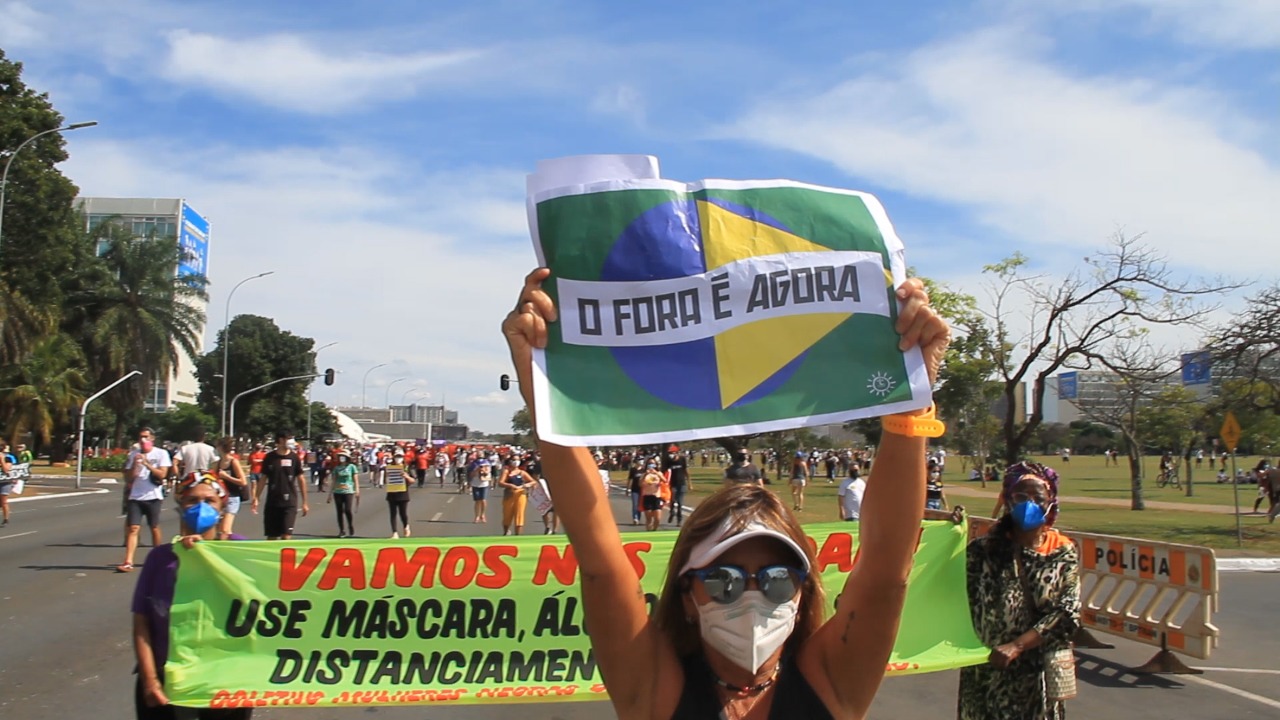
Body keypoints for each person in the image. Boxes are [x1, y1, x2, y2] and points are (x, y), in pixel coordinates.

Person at [501, 267, 949, 718]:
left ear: (802, 593)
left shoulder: (833, 680)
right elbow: (599, 560)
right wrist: (543, 388)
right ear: (687, 599)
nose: (753, 598)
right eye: (723, 581)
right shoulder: (653, 687)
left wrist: (912, 395)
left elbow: (887, 571)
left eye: (778, 580)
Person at [959, 462, 1081, 720]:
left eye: (1038, 498)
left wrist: (1017, 646)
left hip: (1035, 672)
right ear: (1007, 500)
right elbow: (955, 595)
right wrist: (949, 528)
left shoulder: (1061, 551)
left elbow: (1067, 613)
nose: (1029, 504)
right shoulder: (982, 550)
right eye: (1021, 497)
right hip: (985, 669)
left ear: (1051, 502)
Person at [131, 471, 252, 720]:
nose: (200, 507)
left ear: (221, 508)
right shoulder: (160, 558)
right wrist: (150, 680)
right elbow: (142, 622)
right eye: (192, 501)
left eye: (209, 501)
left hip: (224, 681)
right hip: (167, 679)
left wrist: (208, 555)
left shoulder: (238, 550)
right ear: (180, 506)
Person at [119, 428, 172, 573]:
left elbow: (162, 475)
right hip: (135, 497)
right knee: (133, 528)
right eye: (141, 437)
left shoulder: (161, 453)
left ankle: (158, 557)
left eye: (146, 437)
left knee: (154, 527)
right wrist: (135, 466)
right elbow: (128, 478)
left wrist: (148, 464)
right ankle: (128, 561)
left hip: (153, 496)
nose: (143, 440)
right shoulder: (134, 454)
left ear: (152, 438)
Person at [253, 431, 308, 540]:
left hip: (289, 502)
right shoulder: (270, 457)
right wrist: (256, 497)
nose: (292, 441)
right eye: (289, 438)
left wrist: (305, 502)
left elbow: (301, 479)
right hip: (273, 501)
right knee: (272, 536)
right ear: (281, 440)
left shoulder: (294, 457)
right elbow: (263, 478)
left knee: (286, 535)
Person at [212, 437, 248, 540]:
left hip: (233, 497)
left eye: (217, 446)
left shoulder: (233, 462)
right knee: (218, 530)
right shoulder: (217, 463)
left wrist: (226, 477)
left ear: (221, 447)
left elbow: (243, 481)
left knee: (225, 530)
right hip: (221, 498)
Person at [499, 455, 534, 536]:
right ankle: (506, 531)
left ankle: (518, 535)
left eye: (517, 460)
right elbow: (500, 483)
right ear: (510, 461)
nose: (516, 462)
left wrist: (527, 485)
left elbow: (533, 481)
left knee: (519, 514)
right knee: (507, 514)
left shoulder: (522, 472)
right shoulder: (506, 471)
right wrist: (510, 485)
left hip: (521, 494)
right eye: (514, 460)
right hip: (509, 494)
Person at [327, 451, 360, 537]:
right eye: (340, 456)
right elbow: (333, 481)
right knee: (339, 511)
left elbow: (355, 480)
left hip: (348, 491)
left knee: (347, 510)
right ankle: (341, 530)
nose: (341, 458)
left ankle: (350, 525)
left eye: (343, 456)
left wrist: (357, 490)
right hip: (338, 491)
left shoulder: (352, 467)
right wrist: (330, 494)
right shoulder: (337, 468)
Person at [385, 450, 412, 538]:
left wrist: (407, 477)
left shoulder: (406, 467)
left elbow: (412, 480)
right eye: (397, 456)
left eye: (400, 457)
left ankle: (406, 526)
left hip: (403, 494)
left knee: (402, 513)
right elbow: (387, 480)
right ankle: (394, 532)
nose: (398, 459)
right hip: (392, 493)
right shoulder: (389, 467)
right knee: (393, 513)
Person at [663, 445, 691, 526]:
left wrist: (689, 483)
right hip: (673, 484)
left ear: (677, 453)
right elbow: (666, 472)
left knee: (680, 502)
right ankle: (672, 512)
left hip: (681, 484)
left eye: (672, 453)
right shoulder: (669, 461)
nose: (671, 455)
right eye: (670, 453)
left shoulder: (682, 459)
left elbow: (686, 471)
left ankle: (679, 520)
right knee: (672, 500)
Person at [640, 460, 666, 531]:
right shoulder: (644, 474)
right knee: (649, 518)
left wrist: (657, 473)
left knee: (657, 518)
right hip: (647, 496)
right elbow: (639, 484)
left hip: (657, 497)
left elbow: (665, 480)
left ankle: (654, 530)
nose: (651, 465)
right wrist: (645, 474)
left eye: (653, 463)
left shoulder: (659, 473)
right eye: (650, 464)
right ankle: (648, 531)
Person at [470, 459, 493, 523]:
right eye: (480, 466)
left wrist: (484, 472)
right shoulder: (475, 468)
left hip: (484, 485)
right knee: (477, 501)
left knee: (483, 500)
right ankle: (477, 516)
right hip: (475, 485)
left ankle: (482, 514)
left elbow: (489, 477)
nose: (481, 467)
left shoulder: (487, 468)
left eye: (483, 466)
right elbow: (471, 475)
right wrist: (476, 470)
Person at [0, 446, 14, 526]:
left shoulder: (8, 459)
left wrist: (2, 460)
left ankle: (6, 519)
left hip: (5, 482)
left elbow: (6, 470)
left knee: (3, 501)